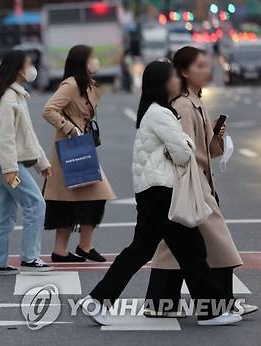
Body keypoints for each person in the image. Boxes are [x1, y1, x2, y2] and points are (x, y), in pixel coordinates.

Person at [82, 60, 241, 326]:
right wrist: (187, 141)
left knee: (141, 249)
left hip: (149, 190)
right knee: (191, 249)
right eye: (173, 77)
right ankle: (211, 311)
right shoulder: (161, 114)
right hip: (162, 191)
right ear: (163, 83)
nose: (178, 80)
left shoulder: (155, 112)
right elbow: (182, 154)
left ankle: (97, 299)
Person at [145, 47, 257, 317]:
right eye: (200, 66)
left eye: (207, 66)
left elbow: (207, 151)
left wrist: (217, 135)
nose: (207, 71)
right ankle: (221, 305)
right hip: (191, 185)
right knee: (219, 246)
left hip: (198, 184)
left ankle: (161, 303)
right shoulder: (183, 104)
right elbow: (179, 151)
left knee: (174, 248)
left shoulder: (194, 100)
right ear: (184, 72)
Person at [0, 50, 52, 276]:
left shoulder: (14, 95)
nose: (32, 67)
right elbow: (6, 137)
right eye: (29, 63)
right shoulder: (9, 98)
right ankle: (30, 257)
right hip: (9, 165)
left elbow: (26, 135)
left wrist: (42, 162)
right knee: (35, 204)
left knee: (4, 212)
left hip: (6, 164)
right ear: (20, 69)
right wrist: (11, 169)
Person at [41, 45, 116, 263]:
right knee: (72, 197)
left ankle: (72, 248)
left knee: (82, 196)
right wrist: (68, 128)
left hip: (81, 143)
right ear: (82, 61)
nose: (95, 61)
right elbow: (48, 109)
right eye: (92, 57)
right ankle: (73, 248)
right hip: (71, 144)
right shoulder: (72, 84)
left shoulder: (85, 85)